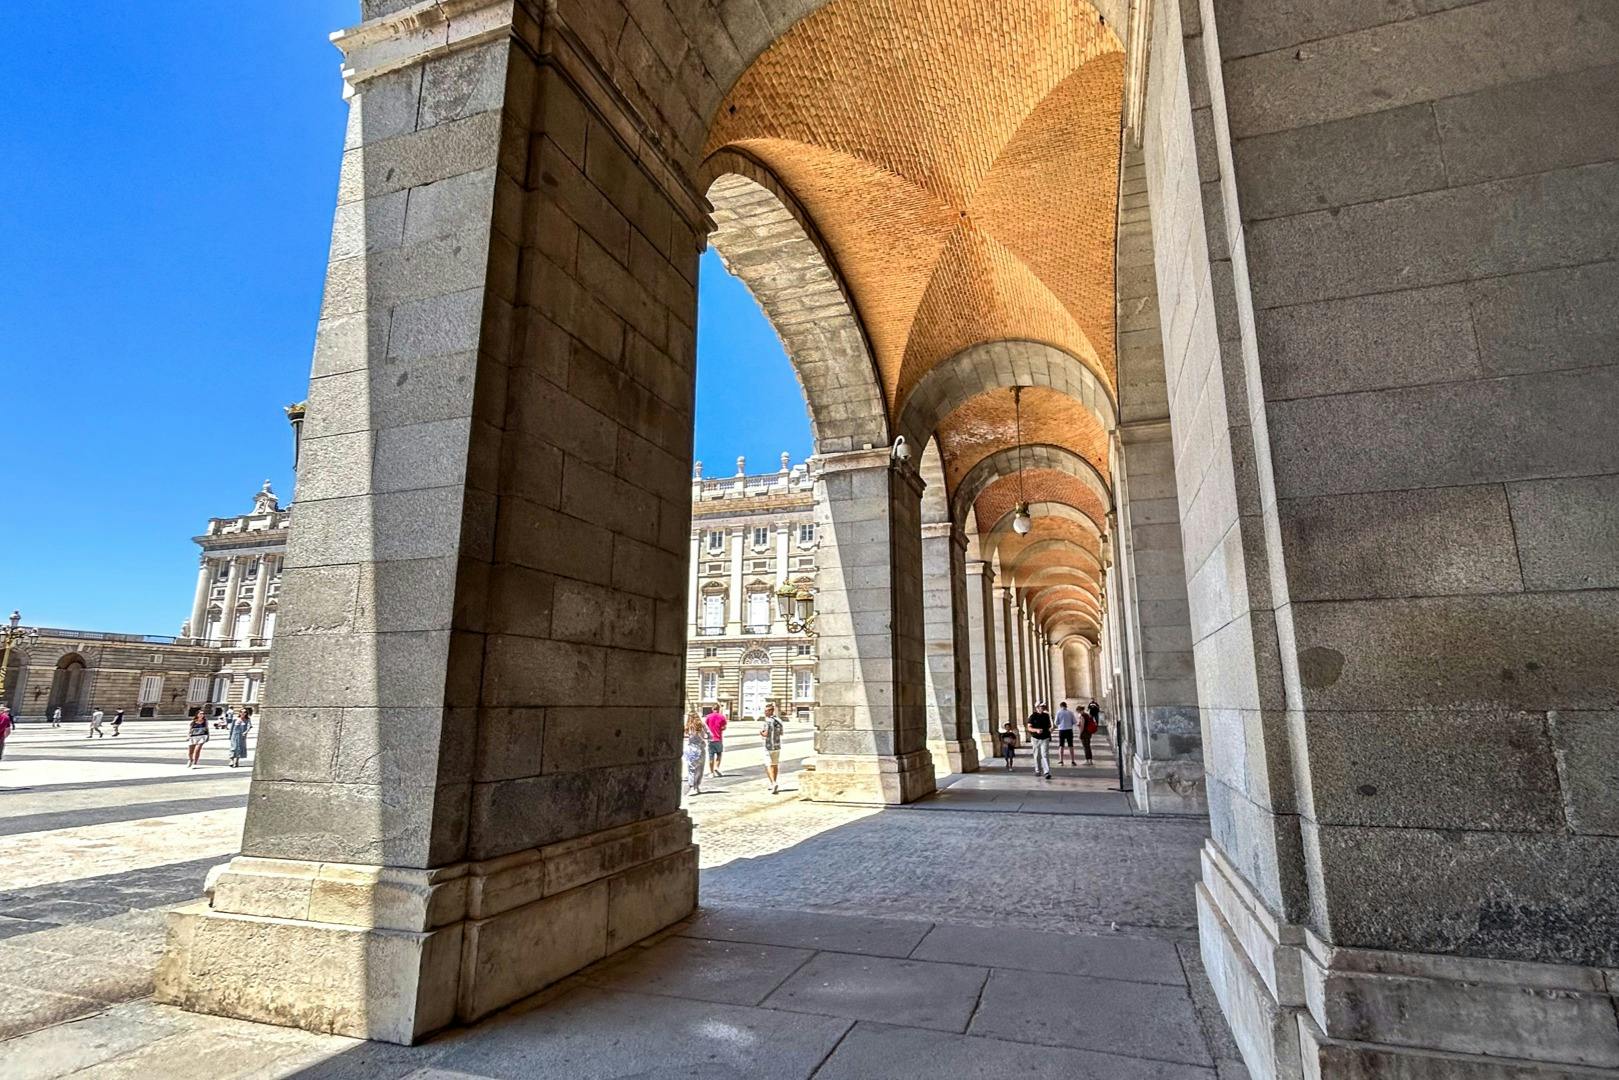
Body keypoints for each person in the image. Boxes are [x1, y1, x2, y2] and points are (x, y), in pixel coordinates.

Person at [759, 702, 784, 795]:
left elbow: (765, 734)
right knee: (775, 764)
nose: (764, 712)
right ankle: (773, 782)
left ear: (770, 711)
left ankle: (773, 783)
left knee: (767, 765)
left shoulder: (767, 721)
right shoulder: (779, 720)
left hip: (768, 745)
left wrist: (761, 732)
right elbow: (781, 733)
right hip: (777, 745)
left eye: (766, 711)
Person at [1026, 701, 1053, 779]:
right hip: (1035, 738)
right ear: (1037, 707)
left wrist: (1050, 729)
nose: (1043, 708)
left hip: (1045, 737)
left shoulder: (1046, 715)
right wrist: (1036, 730)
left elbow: (1049, 726)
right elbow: (1029, 727)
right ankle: (1037, 770)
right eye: (1041, 707)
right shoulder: (1032, 716)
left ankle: (1046, 772)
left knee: (1045, 754)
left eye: (1043, 707)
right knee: (1037, 754)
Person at [682, 712, 706, 796]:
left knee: (691, 769)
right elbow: (710, 735)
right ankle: (697, 786)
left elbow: (683, 735)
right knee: (700, 769)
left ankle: (692, 786)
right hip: (701, 749)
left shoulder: (688, 727)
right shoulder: (702, 725)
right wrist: (704, 738)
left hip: (691, 749)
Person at [703, 705, 728, 778]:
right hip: (718, 738)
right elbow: (724, 727)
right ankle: (716, 767)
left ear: (712, 709)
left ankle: (711, 773)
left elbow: (705, 727)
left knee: (711, 756)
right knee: (719, 754)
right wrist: (720, 729)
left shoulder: (708, 717)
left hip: (710, 739)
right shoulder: (722, 717)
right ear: (719, 709)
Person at [1054, 701, 1078, 765]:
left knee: (1061, 745)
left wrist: (1060, 723)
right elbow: (1074, 722)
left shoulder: (1058, 713)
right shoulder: (1070, 713)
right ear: (1066, 706)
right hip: (1069, 730)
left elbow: (1056, 723)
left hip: (1062, 730)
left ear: (1060, 706)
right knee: (1071, 745)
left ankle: (1061, 761)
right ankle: (1073, 761)